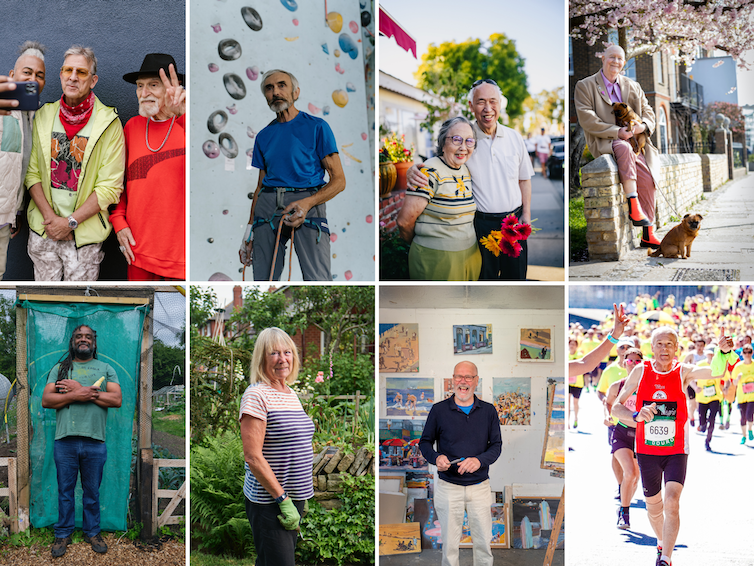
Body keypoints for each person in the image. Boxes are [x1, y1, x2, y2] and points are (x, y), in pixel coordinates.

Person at [612, 327, 735, 566]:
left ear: (677, 348)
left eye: (669, 344)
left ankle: (666, 558)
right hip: (647, 451)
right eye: (659, 344)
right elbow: (616, 407)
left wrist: (722, 352)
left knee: (672, 501)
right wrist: (636, 414)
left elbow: (716, 372)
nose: (664, 349)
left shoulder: (683, 372)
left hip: (676, 450)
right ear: (652, 348)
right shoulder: (640, 371)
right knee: (654, 508)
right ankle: (662, 543)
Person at [407, 79, 534, 280]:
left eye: (493, 101)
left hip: (513, 221)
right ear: (471, 106)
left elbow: (524, 179)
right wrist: (412, 168)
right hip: (481, 225)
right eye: (481, 101)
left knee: (516, 280)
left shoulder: (514, 138)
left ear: (500, 104)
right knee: (484, 283)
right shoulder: (465, 139)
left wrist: (526, 214)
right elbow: (441, 160)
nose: (488, 108)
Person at [24, 45, 125, 280]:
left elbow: (110, 188)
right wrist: (53, 222)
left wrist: (69, 223)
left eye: (81, 72)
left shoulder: (109, 123)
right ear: (60, 75)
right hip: (44, 230)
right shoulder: (43, 115)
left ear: (93, 80)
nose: (72, 76)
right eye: (67, 70)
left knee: (78, 307)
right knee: (44, 305)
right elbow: (32, 174)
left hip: (83, 239)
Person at [239, 69, 345, 281]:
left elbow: (339, 181)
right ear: (266, 97)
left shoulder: (317, 127)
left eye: (281, 85)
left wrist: (307, 203)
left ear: (296, 92)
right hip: (267, 206)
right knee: (262, 279)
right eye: (269, 88)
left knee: (318, 279)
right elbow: (259, 186)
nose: (275, 92)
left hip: (308, 202)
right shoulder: (263, 136)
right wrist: (249, 231)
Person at [40, 325, 122, 557]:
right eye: (79, 337)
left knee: (92, 491)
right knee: (65, 491)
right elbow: (46, 400)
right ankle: (63, 533)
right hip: (65, 440)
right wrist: (78, 394)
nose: (83, 340)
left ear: (94, 343)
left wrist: (80, 390)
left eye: (88, 337)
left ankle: (92, 531)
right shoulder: (60, 369)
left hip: (95, 441)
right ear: (72, 342)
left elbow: (116, 399)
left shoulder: (105, 368)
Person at [574, 44, 662, 249]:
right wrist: (616, 133)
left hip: (634, 142)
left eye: (620, 59)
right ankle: (633, 205)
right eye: (611, 57)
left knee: (649, 178)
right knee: (621, 147)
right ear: (602, 58)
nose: (615, 61)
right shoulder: (585, 85)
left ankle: (648, 232)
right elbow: (587, 119)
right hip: (606, 141)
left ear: (624, 63)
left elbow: (649, 113)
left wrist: (643, 126)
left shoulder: (633, 86)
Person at [239, 327, 314, 566]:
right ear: (262, 358)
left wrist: (298, 495)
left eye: (287, 352)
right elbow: (252, 456)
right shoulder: (256, 395)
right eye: (274, 353)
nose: (283, 359)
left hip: (292, 498)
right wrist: (282, 499)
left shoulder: (290, 393)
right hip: (271, 501)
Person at [419, 361, 501, 566]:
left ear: (476, 381)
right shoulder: (438, 410)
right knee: (449, 546)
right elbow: (425, 442)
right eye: (458, 377)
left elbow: (496, 446)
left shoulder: (489, 411)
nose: (463, 382)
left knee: (483, 544)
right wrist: (436, 457)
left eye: (468, 377)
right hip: (448, 487)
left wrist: (479, 460)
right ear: (452, 380)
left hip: (480, 487)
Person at [111, 53, 185, 281]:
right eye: (140, 86)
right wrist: (118, 220)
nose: (144, 93)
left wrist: (184, 114)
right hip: (138, 251)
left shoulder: (189, 125)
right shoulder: (132, 127)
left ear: (172, 88)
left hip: (179, 258)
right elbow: (117, 182)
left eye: (154, 85)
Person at [396, 116, 481, 280]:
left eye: (469, 141)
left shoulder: (466, 169)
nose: (463, 147)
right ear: (443, 143)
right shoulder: (429, 171)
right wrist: (426, 243)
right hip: (436, 260)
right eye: (456, 140)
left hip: (470, 255)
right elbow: (404, 222)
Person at [0, 41, 46, 279]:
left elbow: (20, 167)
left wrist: (16, 213)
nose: (32, 79)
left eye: (39, 75)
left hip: (5, 219)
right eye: (26, 72)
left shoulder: (35, 116)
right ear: (11, 75)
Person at [604, 347, 642, 529]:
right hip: (622, 432)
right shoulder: (618, 385)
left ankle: (624, 503)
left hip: (642, 436)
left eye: (637, 361)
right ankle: (624, 513)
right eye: (630, 361)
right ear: (624, 363)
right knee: (630, 473)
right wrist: (607, 415)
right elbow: (608, 403)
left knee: (635, 479)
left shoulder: (648, 387)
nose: (633, 364)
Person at [733, 344, 754, 444]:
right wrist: (738, 379)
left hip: (752, 395)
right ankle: (744, 436)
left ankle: (750, 429)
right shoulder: (738, 367)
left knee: (749, 415)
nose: (747, 354)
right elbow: (734, 383)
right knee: (743, 417)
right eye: (745, 352)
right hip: (742, 395)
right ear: (742, 354)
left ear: (752, 353)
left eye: (749, 352)